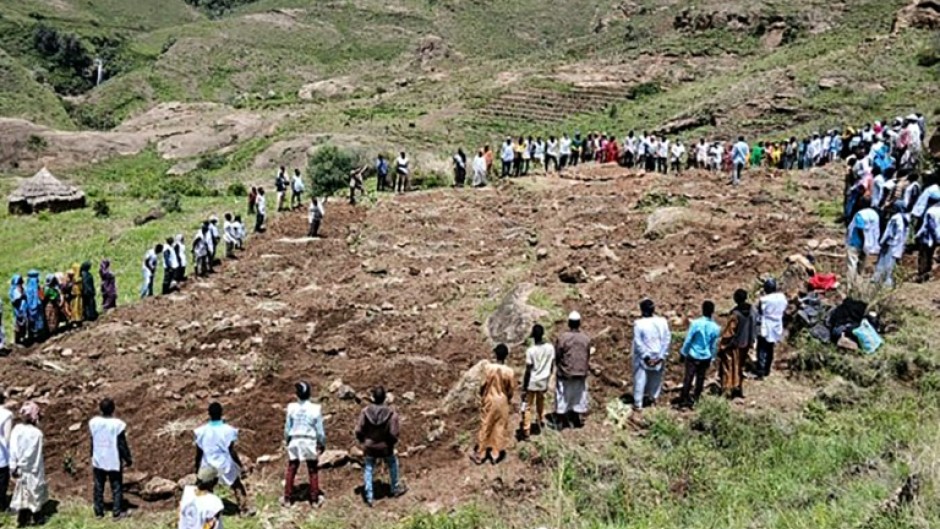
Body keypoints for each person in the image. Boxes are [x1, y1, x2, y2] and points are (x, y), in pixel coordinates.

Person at [194, 402, 250, 514]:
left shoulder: (201, 431)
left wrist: (197, 466)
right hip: (225, 463)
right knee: (236, 485)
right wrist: (240, 465)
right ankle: (244, 509)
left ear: (208, 414)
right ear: (221, 413)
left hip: (208, 464)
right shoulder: (228, 430)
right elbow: (231, 451)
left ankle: (206, 511)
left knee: (204, 488)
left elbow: (199, 452)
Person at [355, 386, 407, 507]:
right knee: (393, 463)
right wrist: (390, 444)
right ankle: (395, 488)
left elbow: (358, 430)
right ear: (384, 398)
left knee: (368, 468)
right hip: (385, 447)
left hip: (369, 446)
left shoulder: (365, 412)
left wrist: (363, 440)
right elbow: (394, 434)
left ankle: (369, 496)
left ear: (373, 398)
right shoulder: (391, 414)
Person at [282, 382, 326, 507]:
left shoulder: (291, 407)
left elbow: (287, 428)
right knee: (312, 470)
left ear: (297, 394)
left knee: (292, 468)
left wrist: (287, 440)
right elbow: (319, 430)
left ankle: (287, 498)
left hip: (295, 439)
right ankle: (314, 499)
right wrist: (322, 443)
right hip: (309, 440)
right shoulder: (315, 408)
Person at [471, 344, 515, 465]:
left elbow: (482, 384)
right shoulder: (509, 371)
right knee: (500, 426)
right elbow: (511, 389)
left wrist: (482, 396)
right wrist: (508, 399)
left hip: (490, 399)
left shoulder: (488, 368)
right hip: (503, 400)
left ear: (496, 355)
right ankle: (495, 454)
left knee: (486, 424)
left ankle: (481, 453)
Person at [89, 398, 132, 519]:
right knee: (116, 486)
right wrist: (128, 459)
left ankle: (99, 512)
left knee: (98, 486)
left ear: (100, 409)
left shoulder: (94, 423)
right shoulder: (117, 425)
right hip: (113, 459)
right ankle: (117, 512)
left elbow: (92, 440)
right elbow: (121, 444)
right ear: (113, 409)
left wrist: (92, 453)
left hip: (98, 458)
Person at [10, 402, 47, 528]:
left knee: (22, 492)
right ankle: (37, 517)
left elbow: (13, 448)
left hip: (20, 468)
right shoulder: (37, 434)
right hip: (32, 468)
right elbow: (33, 452)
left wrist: (14, 465)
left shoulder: (17, 429)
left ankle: (22, 519)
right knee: (34, 491)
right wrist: (22, 464)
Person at [678, 301, 721, 409]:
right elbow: (713, 345)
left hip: (693, 355)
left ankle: (684, 399)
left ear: (702, 310)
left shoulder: (695, 323)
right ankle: (696, 399)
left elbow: (688, 340)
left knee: (688, 377)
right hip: (705, 356)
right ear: (712, 311)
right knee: (700, 379)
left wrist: (683, 352)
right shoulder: (716, 327)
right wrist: (712, 357)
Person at [553, 312, 591, 428]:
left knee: (562, 394)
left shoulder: (563, 338)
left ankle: (560, 420)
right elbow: (587, 355)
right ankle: (576, 417)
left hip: (566, 372)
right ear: (579, 323)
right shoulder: (586, 339)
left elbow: (558, 354)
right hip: (581, 372)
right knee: (579, 395)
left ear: (569, 323)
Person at [717, 289, 756, 399]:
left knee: (728, 367)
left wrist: (722, 346)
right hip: (745, 343)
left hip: (734, 345)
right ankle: (738, 388)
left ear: (736, 299)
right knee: (740, 367)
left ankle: (726, 390)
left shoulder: (735, 314)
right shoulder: (751, 310)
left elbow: (729, 332)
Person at [632, 299, 670, 410]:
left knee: (640, 380)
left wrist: (646, 357)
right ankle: (653, 399)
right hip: (658, 355)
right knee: (656, 379)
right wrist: (661, 356)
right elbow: (666, 339)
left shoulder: (638, 324)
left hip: (643, 357)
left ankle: (638, 404)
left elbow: (638, 342)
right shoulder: (662, 322)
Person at [520, 324, 554, 439]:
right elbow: (551, 365)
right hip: (543, 380)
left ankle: (526, 430)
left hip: (532, 381)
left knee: (528, 406)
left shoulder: (531, 351)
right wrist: (548, 377)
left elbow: (528, 370)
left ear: (533, 336)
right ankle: (540, 421)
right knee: (541, 402)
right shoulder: (550, 348)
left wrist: (524, 386)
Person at [756, 279, 787, 379]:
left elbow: (760, 311)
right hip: (777, 324)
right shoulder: (782, 297)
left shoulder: (764, 300)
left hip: (766, 324)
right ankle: (767, 369)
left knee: (761, 348)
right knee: (770, 348)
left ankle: (760, 370)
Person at [873, 203, 909, 287]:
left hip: (891, 243)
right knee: (892, 262)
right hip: (899, 244)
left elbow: (888, 232)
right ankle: (886, 279)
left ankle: (882, 280)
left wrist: (882, 241)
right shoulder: (905, 218)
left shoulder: (895, 218)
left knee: (885, 261)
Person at [845, 207, 881, 283]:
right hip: (867, 246)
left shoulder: (860, 216)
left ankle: (851, 283)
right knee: (861, 264)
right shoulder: (875, 217)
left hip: (855, 243)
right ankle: (858, 282)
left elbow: (860, 230)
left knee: (852, 264)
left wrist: (864, 242)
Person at [915, 198, 940, 282]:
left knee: (924, 256)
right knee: (930, 257)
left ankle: (922, 276)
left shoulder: (931, 211)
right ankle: (928, 275)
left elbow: (931, 226)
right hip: (935, 238)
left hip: (928, 238)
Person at [24, 270, 45, 341]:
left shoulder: (27, 288)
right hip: (38, 308)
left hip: (30, 309)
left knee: (32, 322)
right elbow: (42, 297)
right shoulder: (37, 287)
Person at [0, 392, 12, 512]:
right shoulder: (6, 415)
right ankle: (2, 506)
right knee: (2, 482)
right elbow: (7, 438)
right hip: (1, 455)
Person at [9, 276, 27, 346]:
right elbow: (14, 300)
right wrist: (21, 296)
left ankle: (23, 338)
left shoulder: (23, 288)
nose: (20, 284)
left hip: (24, 309)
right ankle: (17, 341)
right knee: (17, 326)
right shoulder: (14, 290)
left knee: (24, 325)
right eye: (19, 282)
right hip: (18, 311)